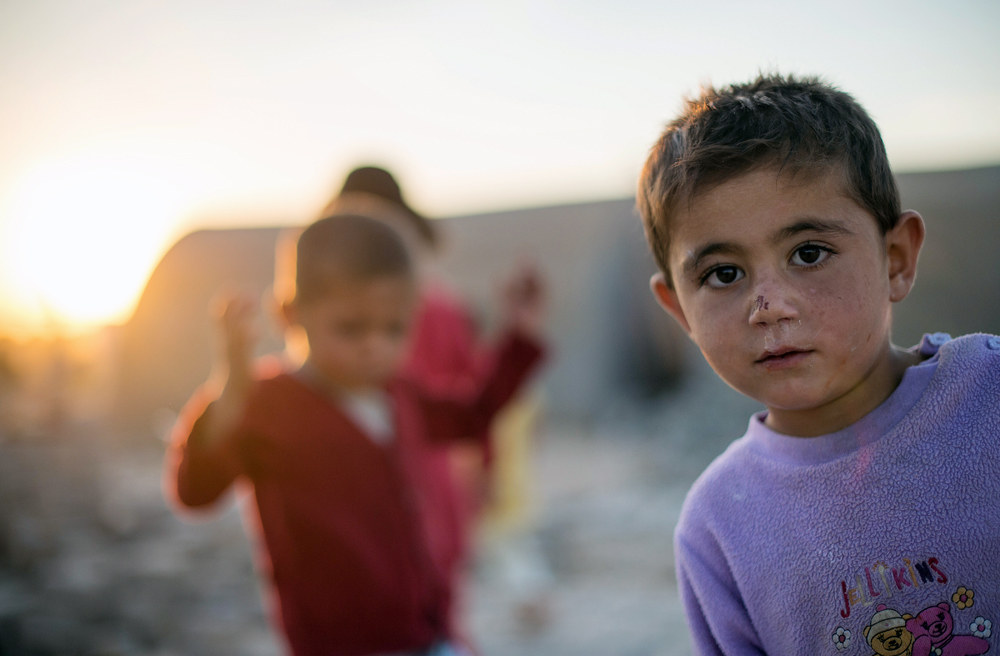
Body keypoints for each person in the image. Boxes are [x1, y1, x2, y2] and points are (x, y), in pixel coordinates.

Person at [636, 74, 999, 655]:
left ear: (897, 259)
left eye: (809, 254)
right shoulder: (719, 528)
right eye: (723, 273)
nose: (769, 306)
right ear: (679, 309)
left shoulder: (989, 397)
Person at [165, 213, 546, 656]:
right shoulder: (269, 405)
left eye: (394, 329)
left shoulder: (399, 393)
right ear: (289, 314)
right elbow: (195, 490)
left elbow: (473, 415)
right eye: (351, 328)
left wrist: (520, 334)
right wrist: (230, 388)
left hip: (427, 633)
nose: (374, 345)